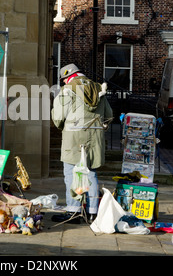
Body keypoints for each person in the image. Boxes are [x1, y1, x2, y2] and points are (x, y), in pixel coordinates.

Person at [51, 63, 113, 224]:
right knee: (90, 173)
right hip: (94, 136)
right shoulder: (98, 88)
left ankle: (73, 211)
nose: (64, 83)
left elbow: (58, 117)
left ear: (67, 76)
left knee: (72, 173)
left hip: (73, 136)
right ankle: (93, 212)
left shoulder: (67, 90)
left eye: (63, 79)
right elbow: (109, 115)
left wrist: (60, 125)